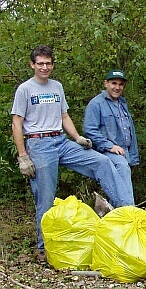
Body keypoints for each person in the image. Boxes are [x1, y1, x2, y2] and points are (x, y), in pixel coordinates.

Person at [10, 45, 135, 261]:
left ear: (52, 64)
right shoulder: (25, 89)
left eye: (48, 63)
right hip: (39, 145)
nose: (44, 67)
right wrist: (23, 156)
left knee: (102, 161)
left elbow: (64, 116)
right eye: (40, 63)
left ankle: (128, 212)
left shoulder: (56, 86)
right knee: (46, 197)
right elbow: (16, 123)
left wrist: (77, 138)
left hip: (61, 140)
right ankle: (43, 248)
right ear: (32, 65)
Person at [83, 69, 139, 195]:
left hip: (126, 154)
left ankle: (122, 211)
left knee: (120, 189)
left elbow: (130, 132)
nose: (117, 87)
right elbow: (89, 129)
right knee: (123, 189)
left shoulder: (122, 103)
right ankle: (129, 211)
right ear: (106, 83)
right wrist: (110, 146)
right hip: (107, 154)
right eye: (114, 83)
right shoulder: (96, 104)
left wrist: (133, 157)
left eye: (121, 84)